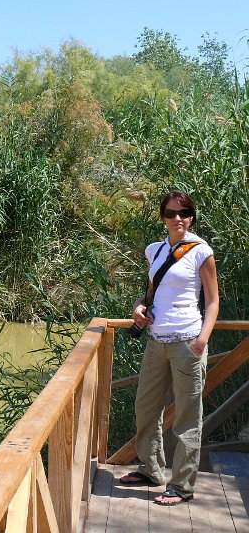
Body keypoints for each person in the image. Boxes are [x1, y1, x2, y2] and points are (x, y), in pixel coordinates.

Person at [118, 190, 219, 505]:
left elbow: (213, 301)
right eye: (172, 213)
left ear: (191, 217)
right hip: (155, 342)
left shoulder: (201, 251)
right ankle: (152, 470)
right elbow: (149, 293)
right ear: (163, 217)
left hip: (186, 342)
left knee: (187, 417)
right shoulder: (154, 250)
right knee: (146, 409)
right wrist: (137, 308)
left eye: (184, 213)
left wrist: (201, 340)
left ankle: (182, 486)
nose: (179, 219)